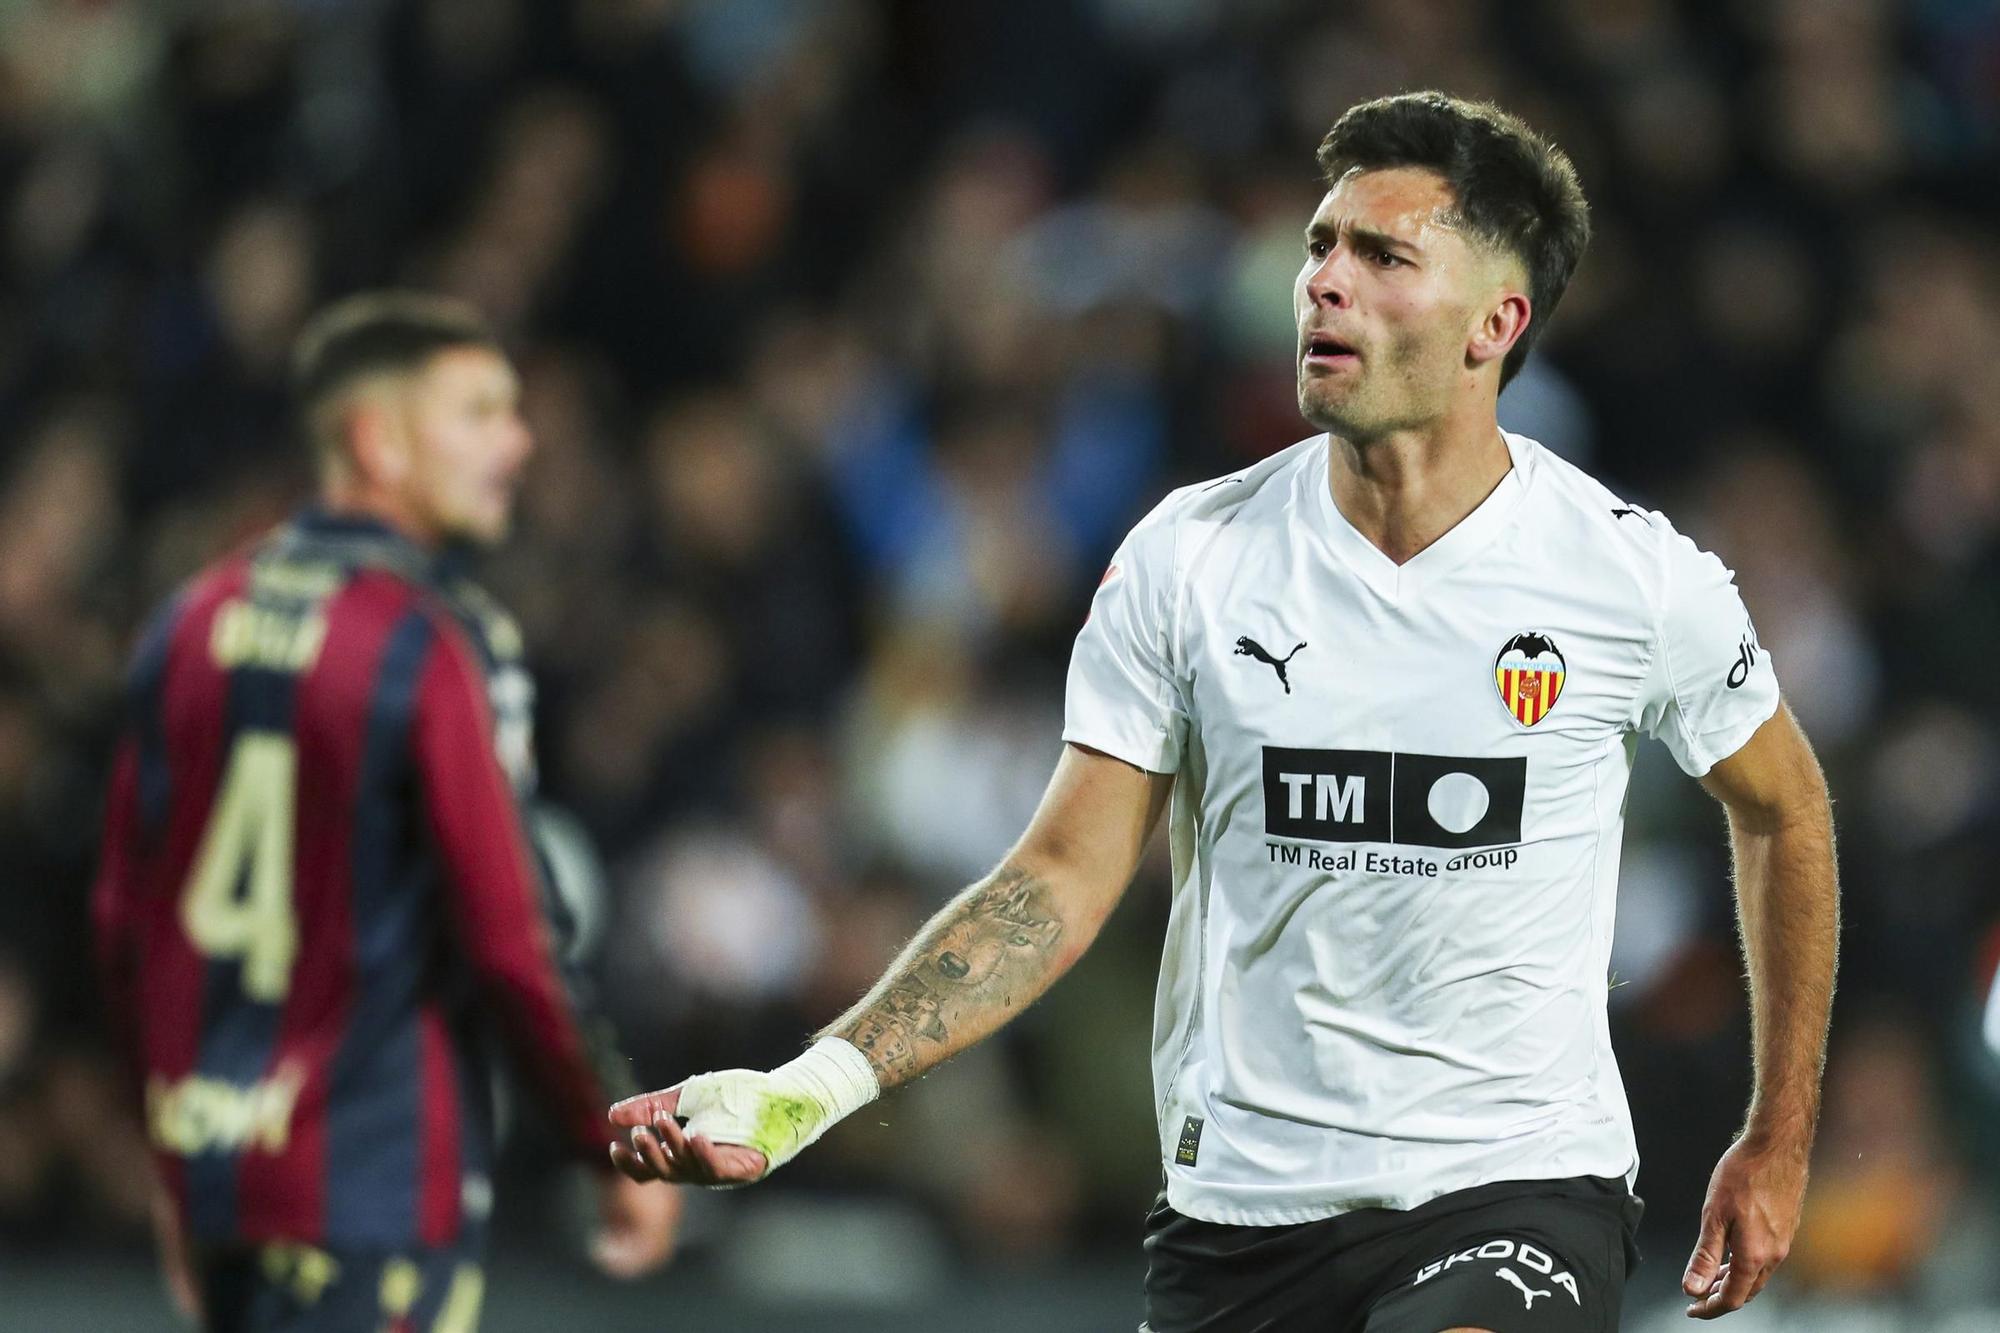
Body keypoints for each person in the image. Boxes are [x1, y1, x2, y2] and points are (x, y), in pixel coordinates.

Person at [608, 92, 1839, 1332]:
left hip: (1511, 1187)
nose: (1321, 284)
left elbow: (1784, 810)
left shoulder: (1623, 574)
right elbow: (1055, 882)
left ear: (1494, 323)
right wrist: (808, 1087)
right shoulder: (1190, 558)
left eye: (1381, 255)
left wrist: (1775, 1137)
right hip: (1238, 1218)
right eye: (1318, 245)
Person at [92, 291, 680, 1331]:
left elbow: (126, 923)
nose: (519, 438)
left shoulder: (189, 622)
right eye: (480, 411)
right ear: (377, 441)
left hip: (226, 1178)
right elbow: (514, 940)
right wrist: (610, 1138)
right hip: (372, 1184)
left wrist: (177, 1161)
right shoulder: (431, 644)